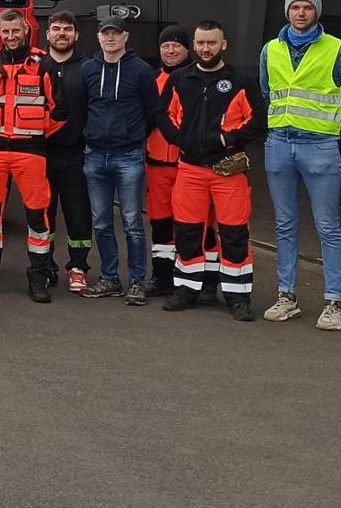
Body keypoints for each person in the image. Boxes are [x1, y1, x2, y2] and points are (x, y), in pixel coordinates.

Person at [259, 0, 341, 331]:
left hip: (319, 146)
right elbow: (268, 92)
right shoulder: (271, 50)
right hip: (279, 144)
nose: (301, 13)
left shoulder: (338, 50)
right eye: (295, 7)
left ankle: (333, 302)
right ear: (287, 12)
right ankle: (286, 296)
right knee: (284, 224)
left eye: (307, 7)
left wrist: (332, 133)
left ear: (316, 13)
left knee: (327, 227)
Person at [157, 21, 267, 321]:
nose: (206, 48)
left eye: (212, 43)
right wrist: (179, 139)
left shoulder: (242, 80)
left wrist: (226, 139)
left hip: (227, 170)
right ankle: (186, 290)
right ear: (194, 44)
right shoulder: (180, 78)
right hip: (190, 170)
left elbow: (259, 121)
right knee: (188, 232)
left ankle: (238, 296)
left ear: (224, 44)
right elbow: (161, 114)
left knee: (234, 234)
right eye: (201, 43)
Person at [0, 9, 63, 301]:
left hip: (31, 152)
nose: (11, 36)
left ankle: (38, 278)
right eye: (6, 31)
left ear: (25, 30)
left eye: (16, 31)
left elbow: (60, 109)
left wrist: (33, 132)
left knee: (37, 217)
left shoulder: (43, 63)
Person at [79, 16, 160, 305]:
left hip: (128, 155)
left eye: (115, 33)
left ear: (126, 36)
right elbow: (82, 109)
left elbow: (152, 111)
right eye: (105, 34)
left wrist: (133, 136)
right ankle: (110, 278)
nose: (110, 38)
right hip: (95, 156)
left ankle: (137, 282)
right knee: (100, 223)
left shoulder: (141, 70)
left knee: (132, 223)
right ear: (98, 37)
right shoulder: (88, 69)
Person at [41, 10, 93, 292]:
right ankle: (45, 265)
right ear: (47, 34)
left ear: (76, 35)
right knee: (43, 214)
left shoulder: (89, 68)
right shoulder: (37, 66)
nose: (62, 33)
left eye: (68, 29)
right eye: (57, 28)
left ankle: (78, 267)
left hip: (77, 155)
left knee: (78, 215)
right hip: (43, 155)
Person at [145, 25, 193, 297]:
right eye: (166, 46)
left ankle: (192, 279)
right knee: (160, 223)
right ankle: (161, 277)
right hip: (156, 164)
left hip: (189, 164)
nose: (171, 50)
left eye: (177, 45)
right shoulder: (150, 80)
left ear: (188, 49)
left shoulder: (198, 79)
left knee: (191, 225)